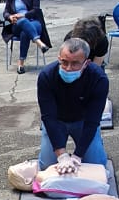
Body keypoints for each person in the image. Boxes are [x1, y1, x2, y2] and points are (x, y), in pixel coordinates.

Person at [37, 38, 108, 169]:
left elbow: (93, 120)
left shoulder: (98, 79)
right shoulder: (46, 76)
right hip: (57, 121)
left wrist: (78, 156)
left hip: (83, 121)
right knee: (46, 166)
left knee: (97, 164)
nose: (68, 68)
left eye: (75, 64)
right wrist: (61, 155)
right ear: (59, 58)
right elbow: (48, 117)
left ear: (86, 63)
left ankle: (94, 145)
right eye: (64, 62)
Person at [3, 0, 49, 72]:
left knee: (25, 32)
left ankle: (21, 63)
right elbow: (5, 12)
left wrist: (23, 15)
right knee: (22, 22)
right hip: (17, 25)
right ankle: (39, 43)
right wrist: (10, 17)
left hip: (34, 22)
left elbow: (36, 10)